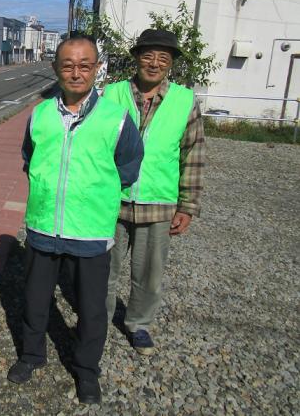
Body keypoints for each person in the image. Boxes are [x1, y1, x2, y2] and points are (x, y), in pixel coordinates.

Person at [7, 36, 144, 405]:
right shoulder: (39, 114)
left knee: (92, 308)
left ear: (97, 68)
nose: (76, 72)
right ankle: (32, 355)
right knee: (35, 300)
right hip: (42, 226)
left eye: (85, 64)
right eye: (68, 64)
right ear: (56, 68)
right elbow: (29, 157)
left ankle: (86, 371)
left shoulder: (116, 119)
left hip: (90, 231)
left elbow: (128, 168)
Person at [103, 28, 205, 355]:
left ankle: (139, 323)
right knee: (103, 270)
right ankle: (97, 323)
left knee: (149, 274)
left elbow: (194, 154)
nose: (154, 62)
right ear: (136, 57)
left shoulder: (184, 100)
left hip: (159, 203)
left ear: (171, 63)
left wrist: (187, 205)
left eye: (163, 57)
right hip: (111, 201)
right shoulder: (111, 94)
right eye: (148, 55)